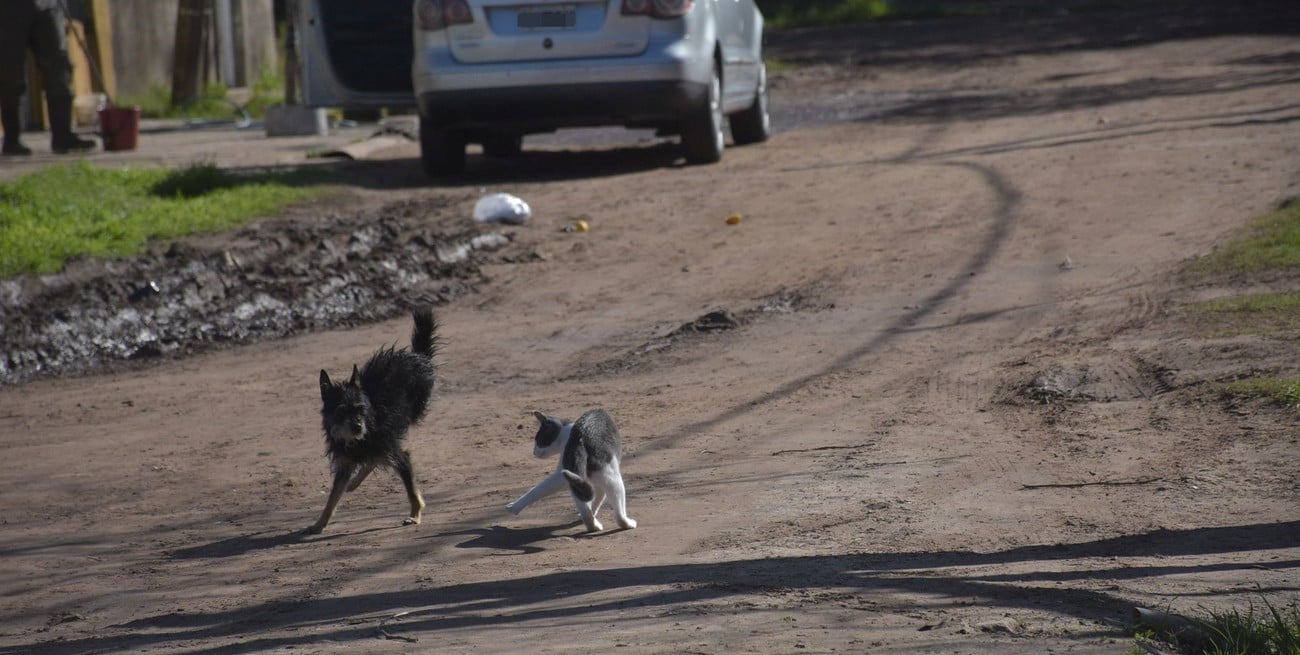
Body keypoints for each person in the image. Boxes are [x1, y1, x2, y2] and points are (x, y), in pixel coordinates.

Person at [0, 0, 97, 155]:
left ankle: (63, 136)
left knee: (59, 67)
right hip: (10, 7)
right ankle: (12, 139)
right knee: (11, 72)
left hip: (49, 6)